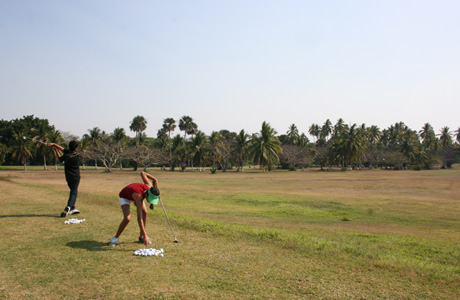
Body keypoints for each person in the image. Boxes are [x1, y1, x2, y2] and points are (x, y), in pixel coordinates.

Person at [109, 171, 160, 247]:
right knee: (127, 218)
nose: (150, 201)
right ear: (147, 195)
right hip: (125, 196)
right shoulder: (139, 198)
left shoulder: (149, 187)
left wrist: (155, 179)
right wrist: (146, 235)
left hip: (135, 194)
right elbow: (139, 218)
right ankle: (115, 238)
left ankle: (141, 236)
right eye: (150, 199)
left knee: (145, 212)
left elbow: (144, 174)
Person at [48, 141, 81, 217]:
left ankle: (72, 208)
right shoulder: (76, 154)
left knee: (72, 191)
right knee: (74, 192)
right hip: (76, 176)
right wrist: (55, 145)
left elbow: (60, 158)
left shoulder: (67, 155)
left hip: (68, 176)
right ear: (76, 148)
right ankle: (69, 206)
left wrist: (55, 148)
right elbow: (63, 149)